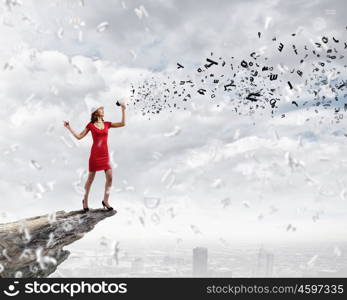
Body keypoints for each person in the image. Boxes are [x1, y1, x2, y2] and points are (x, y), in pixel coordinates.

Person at [63, 102, 126, 212]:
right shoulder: (90, 125)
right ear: (95, 112)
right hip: (95, 155)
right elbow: (79, 137)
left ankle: (105, 201)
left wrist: (123, 109)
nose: (103, 110)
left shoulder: (107, 124)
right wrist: (69, 128)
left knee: (110, 177)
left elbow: (122, 123)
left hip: (105, 155)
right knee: (90, 179)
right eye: (101, 109)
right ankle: (85, 200)